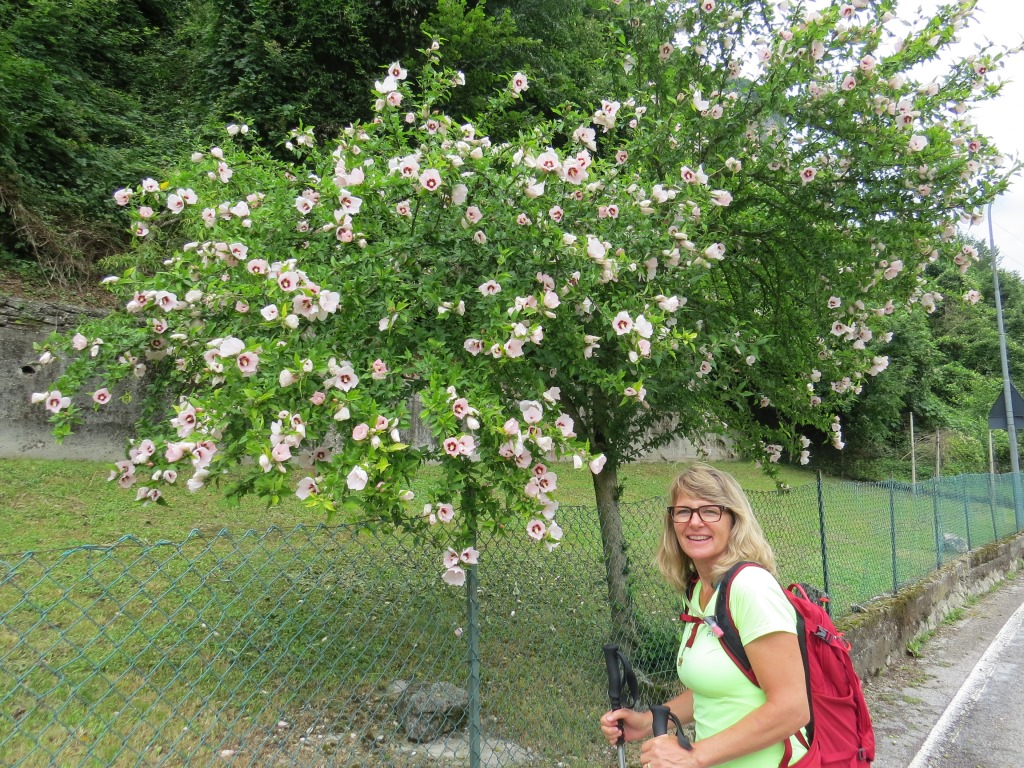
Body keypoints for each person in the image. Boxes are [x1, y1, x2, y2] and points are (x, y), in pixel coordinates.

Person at [599, 463, 810, 768]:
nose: (694, 522)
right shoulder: (701, 590)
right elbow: (716, 692)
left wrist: (695, 754)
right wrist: (645, 723)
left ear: (734, 520)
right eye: (683, 511)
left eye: (710, 511)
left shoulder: (751, 587)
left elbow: (792, 709)